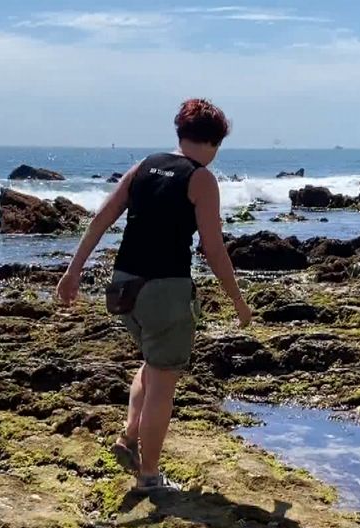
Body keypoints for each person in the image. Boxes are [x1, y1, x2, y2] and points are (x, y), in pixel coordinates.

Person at [56, 98, 252, 492]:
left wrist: (72, 271)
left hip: (124, 287)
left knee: (151, 364)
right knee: (164, 383)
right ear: (214, 143)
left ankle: (128, 438)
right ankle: (149, 476)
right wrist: (238, 301)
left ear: (180, 133)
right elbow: (213, 248)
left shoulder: (143, 166)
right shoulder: (201, 179)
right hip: (165, 290)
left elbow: (101, 219)